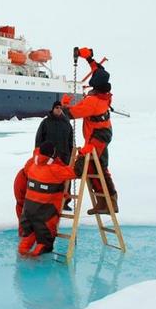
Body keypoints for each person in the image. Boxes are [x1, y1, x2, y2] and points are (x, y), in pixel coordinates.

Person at [61, 47, 118, 215]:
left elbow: (70, 114)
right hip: (102, 133)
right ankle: (104, 202)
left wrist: (64, 104)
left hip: (97, 137)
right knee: (97, 167)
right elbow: (99, 70)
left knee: (85, 165)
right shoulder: (104, 94)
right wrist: (89, 58)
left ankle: (109, 202)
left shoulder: (92, 102)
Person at [18, 141, 80, 256]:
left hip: (28, 212)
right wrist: (81, 157)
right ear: (53, 155)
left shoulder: (31, 165)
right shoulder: (55, 170)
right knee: (45, 243)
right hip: (45, 214)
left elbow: (31, 169)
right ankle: (38, 264)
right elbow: (76, 172)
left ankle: (24, 257)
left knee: (27, 239)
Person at [35, 101, 74, 165]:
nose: (59, 109)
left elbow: (70, 141)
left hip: (63, 158)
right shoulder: (45, 122)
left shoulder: (67, 124)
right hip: (49, 158)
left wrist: (70, 155)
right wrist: (38, 155)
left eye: (60, 108)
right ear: (53, 109)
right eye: (57, 107)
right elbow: (39, 140)